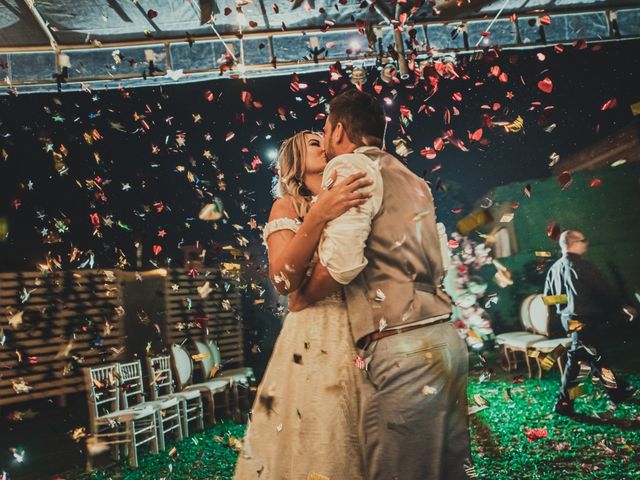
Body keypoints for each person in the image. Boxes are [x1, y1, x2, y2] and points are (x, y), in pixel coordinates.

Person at [288, 89, 473, 479]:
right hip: (446, 340)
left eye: (325, 129)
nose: (325, 141)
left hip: (403, 348)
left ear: (338, 130)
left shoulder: (351, 166)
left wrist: (302, 295)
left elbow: (341, 265)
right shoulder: (412, 178)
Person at [233, 130, 374, 479]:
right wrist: (318, 215)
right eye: (314, 143)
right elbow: (284, 282)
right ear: (295, 162)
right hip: (316, 333)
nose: (324, 143)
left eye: (323, 138)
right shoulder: (287, 207)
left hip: (363, 327)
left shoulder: (351, 196)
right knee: (322, 428)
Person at [544, 230, 637, 416]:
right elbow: (604, 291)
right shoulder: (583, 266)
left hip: (569, 320)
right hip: (584, 321)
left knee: (597, 357)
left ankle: (616, 392)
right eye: (583, 240)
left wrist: (565, 307)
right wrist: (622, 307)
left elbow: (548, 298)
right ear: (573, 243)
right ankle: (563, 403)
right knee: (577, 362)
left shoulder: (554, 268)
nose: (586, 243)